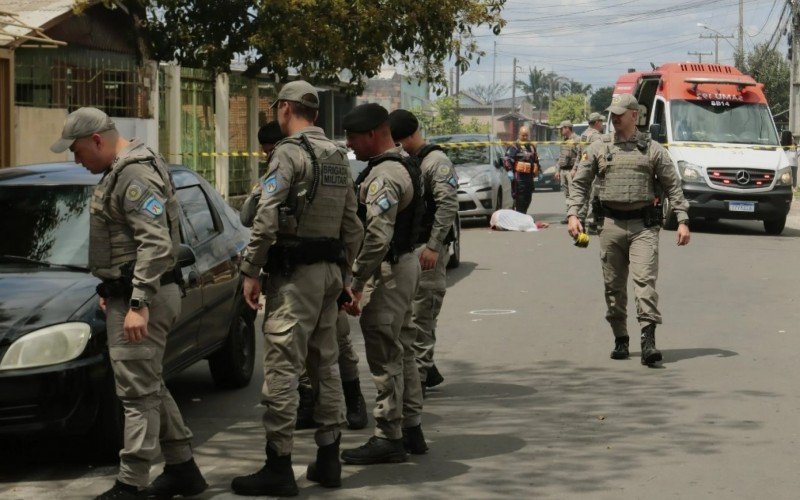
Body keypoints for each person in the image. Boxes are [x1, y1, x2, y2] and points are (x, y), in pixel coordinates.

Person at [50, 107, 207, 499]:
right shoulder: (126, 168)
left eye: (77, 150)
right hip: (137, 294)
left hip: (146, 298)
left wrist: (137, 302)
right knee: (149, 384)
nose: (76, 158)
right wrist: (114, 291)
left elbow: (155, 244)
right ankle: (182, 467)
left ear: (97, 140)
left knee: (136, 395)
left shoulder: (133, 173)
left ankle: (131, 484)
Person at [231, 80, 364, 496]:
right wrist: (344, 275)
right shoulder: (338, 156)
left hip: (294, 277)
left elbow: (264, 215)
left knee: (283, 369)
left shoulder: (288, 153)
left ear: (286, 108)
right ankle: (329, 460)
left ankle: (279, 465)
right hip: (329, 274)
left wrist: (250, 270)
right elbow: (353, 225)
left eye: (276, 109)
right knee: (324, 365)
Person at [567, 94, 691, 366]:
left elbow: (673, 186)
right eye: (613, 112)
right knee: (613, 287)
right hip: (610, 225)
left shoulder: (653, 149)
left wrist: (682, 219)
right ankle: (621, 337)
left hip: (643, 226)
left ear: (635, 115)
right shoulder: (599, 147)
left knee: (645, 282)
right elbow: (580, 184)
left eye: (621, 113)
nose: (615, 117)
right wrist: (574, 213)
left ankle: (648, 341)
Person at [339, 103, 425, 465]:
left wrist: (357, 280)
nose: (350, 146)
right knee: (402, 350)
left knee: (385, 354)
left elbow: (377, 235)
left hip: (387, 272)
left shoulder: (384, 175)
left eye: (354, 138)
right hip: (402, 265)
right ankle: (411, 429)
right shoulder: (402, 162)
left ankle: (389, 434)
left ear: (373, 134)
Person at [388, 109, 459, 397]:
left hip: (427, 249)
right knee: (410, 314)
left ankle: (418, 379)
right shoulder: (413, 161)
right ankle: (425, 369)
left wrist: (433, 246)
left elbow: (447, 205)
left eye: (397, 142)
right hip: (412, 248)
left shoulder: (436, 162)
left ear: (406, 137)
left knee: (422, 314)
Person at [504, 126, 539, 214]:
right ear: (519, 135)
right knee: (520, 200)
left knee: (528, 199)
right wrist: (509, 170)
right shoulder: (514, 146)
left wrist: (539, 170)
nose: (525, 138)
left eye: (527, 136)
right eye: (523, 135)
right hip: (519, 179)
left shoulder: (531, 147)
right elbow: (507, 159)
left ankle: (523, 215)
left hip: (529, 178)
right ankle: (519, 217)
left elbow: (536, 160)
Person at [580, 112, 605, 232]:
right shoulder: (596, 136)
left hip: (584, 166)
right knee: (593, 197)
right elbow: (600, 154)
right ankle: (591, 223)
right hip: (594, 169)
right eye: (601, 121)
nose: (602, 124)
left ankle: (581, 220)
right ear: (596, 123)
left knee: (584, 194)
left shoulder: (584, 135)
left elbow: (581, 153)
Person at [555, 120, 580, 224]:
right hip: (563, 171)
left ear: (567, 128)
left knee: (574, 195)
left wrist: (575, 169)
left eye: (562, 128)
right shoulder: (564, 141)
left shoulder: (577, 139)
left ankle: (576, 216)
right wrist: (557, 170)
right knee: (567, 195)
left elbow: (580, 155)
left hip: (571, 171)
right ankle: (569, 215)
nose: (560, 131)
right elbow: (560, 157)